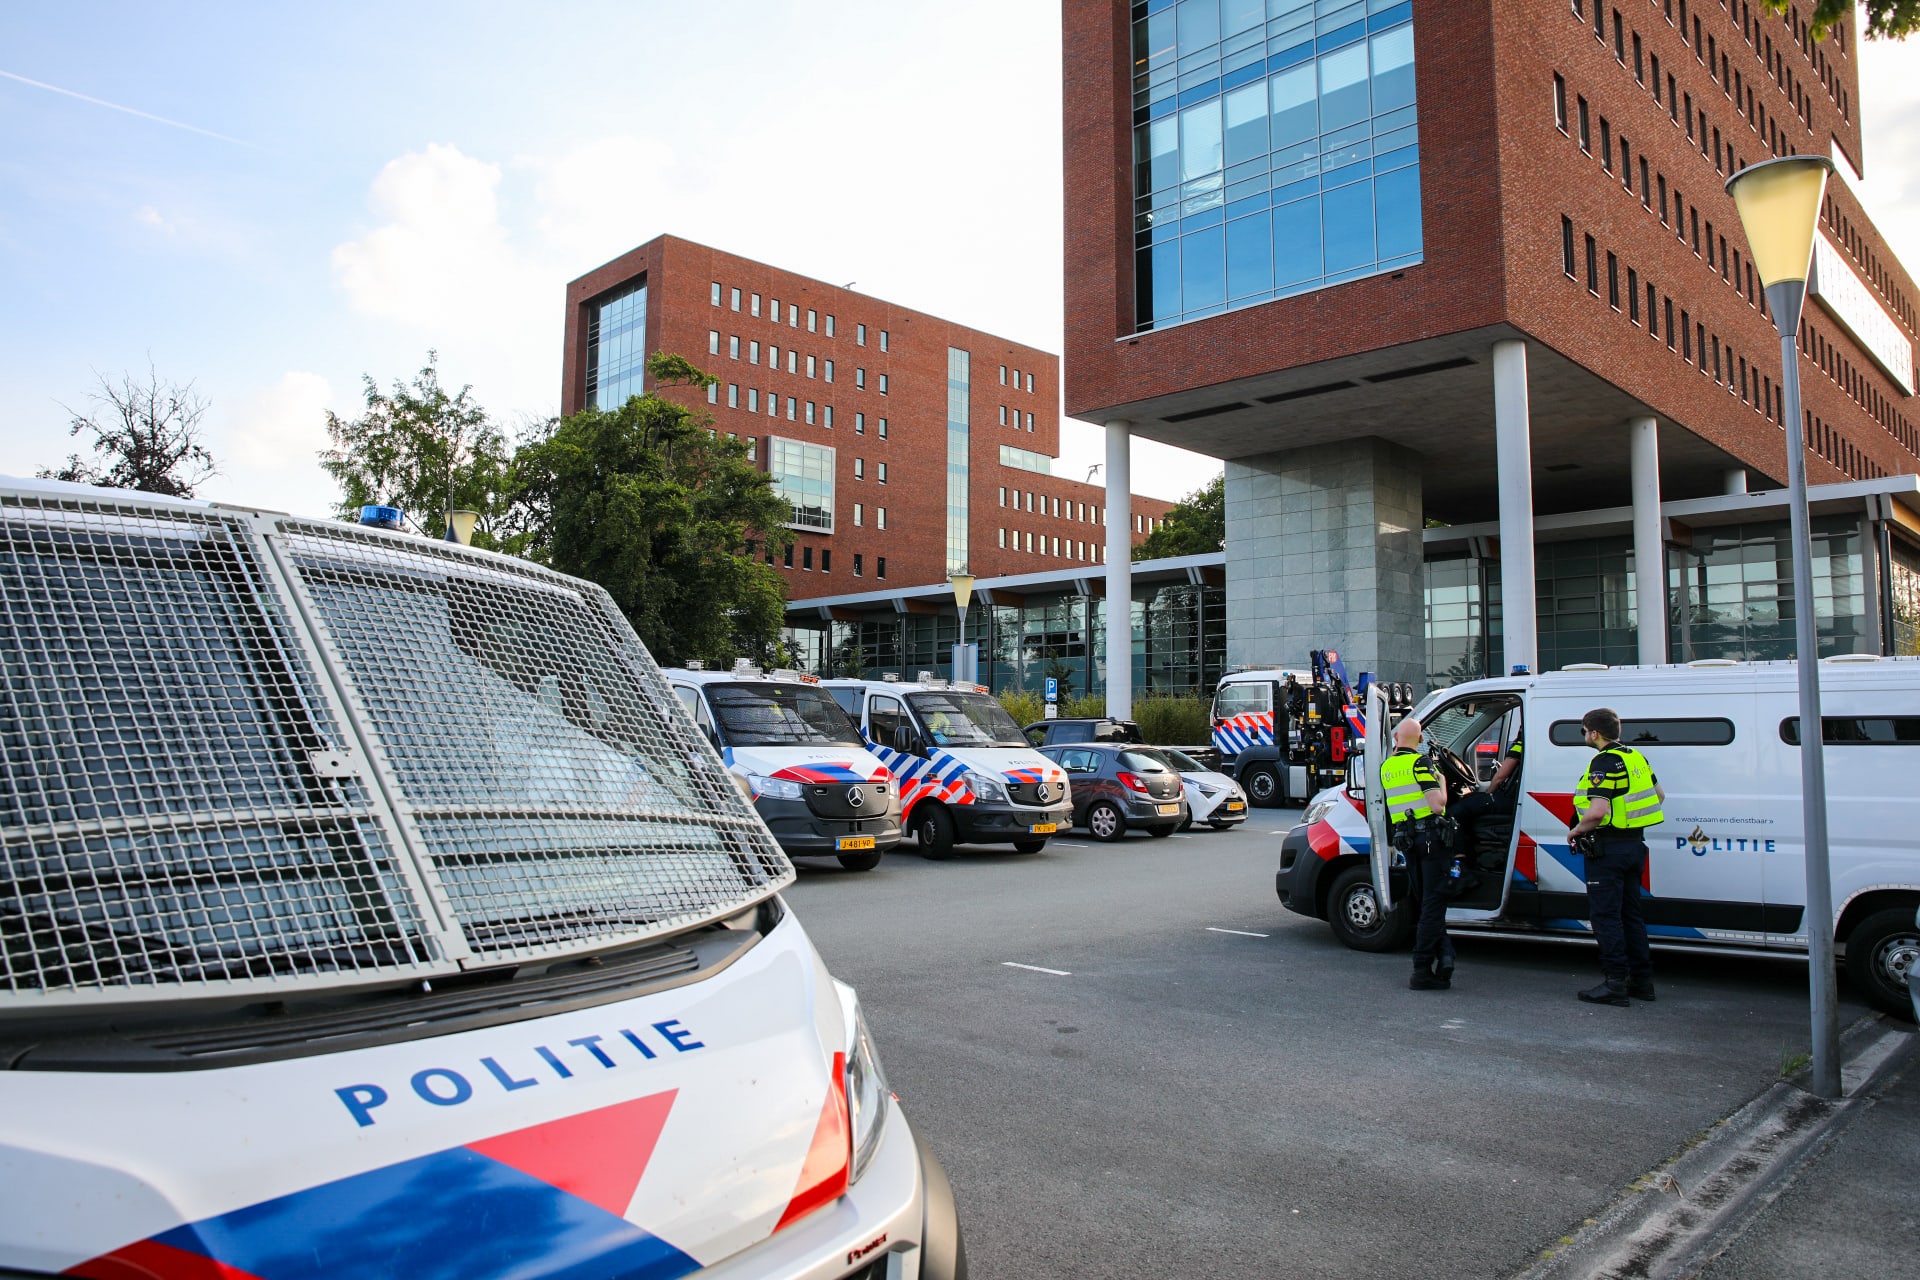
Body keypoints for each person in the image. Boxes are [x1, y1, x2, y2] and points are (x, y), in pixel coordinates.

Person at [1568, 707, 1664, 1006]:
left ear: (1594, 733)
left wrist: (1576, 832)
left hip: (1608, 849)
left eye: (1585, 731)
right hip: (1634, 845)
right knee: (1631, 915)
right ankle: (1642, 982)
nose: (1585, 736)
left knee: (1606, 917)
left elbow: (1596, 811)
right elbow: (1658, 795)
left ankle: (1615, 983)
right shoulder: (1636, 758)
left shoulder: (1605, 762)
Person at [1381, 716, 1455, 991]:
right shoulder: (1422, 763)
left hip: (1409, 841)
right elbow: (1438, 805)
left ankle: (1446, 957)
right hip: (1432, 840)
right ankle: (1421, 969)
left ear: (1397, 739)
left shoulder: (1387, 767)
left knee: (1426, 902)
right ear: (1421, 740)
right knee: (1434, 905)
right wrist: (1442, 781)